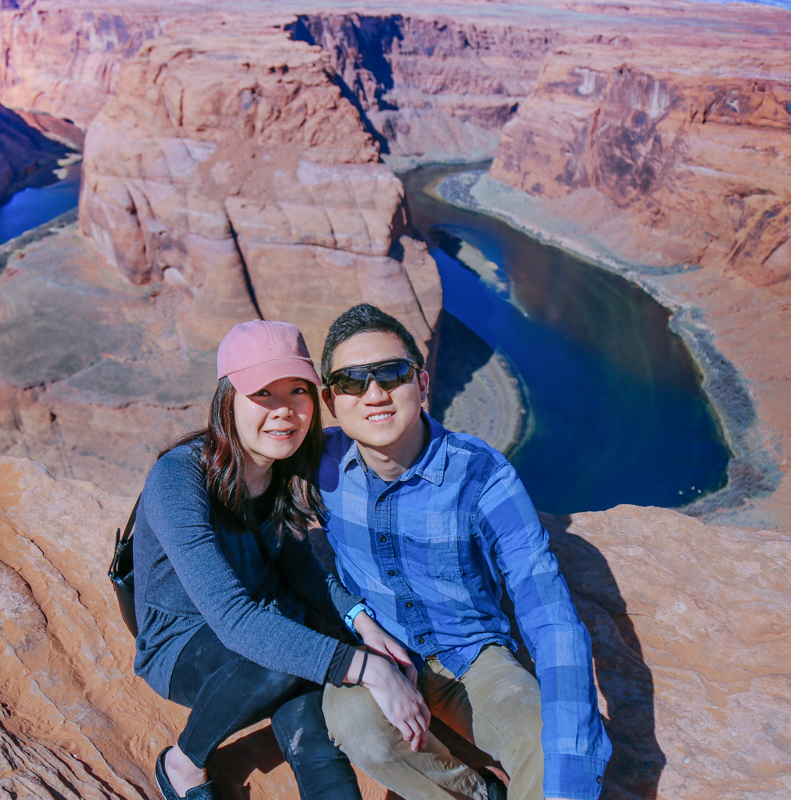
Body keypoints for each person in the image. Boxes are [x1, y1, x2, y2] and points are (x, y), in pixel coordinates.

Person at [316, 304, 612, 800]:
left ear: (423, 384)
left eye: (392, 373)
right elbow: (242, 459)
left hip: (474, 659)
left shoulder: (483, 476)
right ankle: (476, 793)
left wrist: (572, 756)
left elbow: (547, 610)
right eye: (351, 382)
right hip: (379, 656)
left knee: (547, 750)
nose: (374, 394)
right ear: (330, 400)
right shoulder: (316, 463)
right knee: (357, 725)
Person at [133, 319, 430, 800]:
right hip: (184, 643)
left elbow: (299, 565)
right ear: (227, 400)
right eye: (263, 394)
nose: (285, 411)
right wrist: (366, 667)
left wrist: (360, 622)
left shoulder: (282, 469)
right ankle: (184, 761)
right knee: (286, 659)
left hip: (267, 619)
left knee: (306, 696)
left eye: (298, 390)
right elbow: (233, 620)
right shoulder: (179, 478)